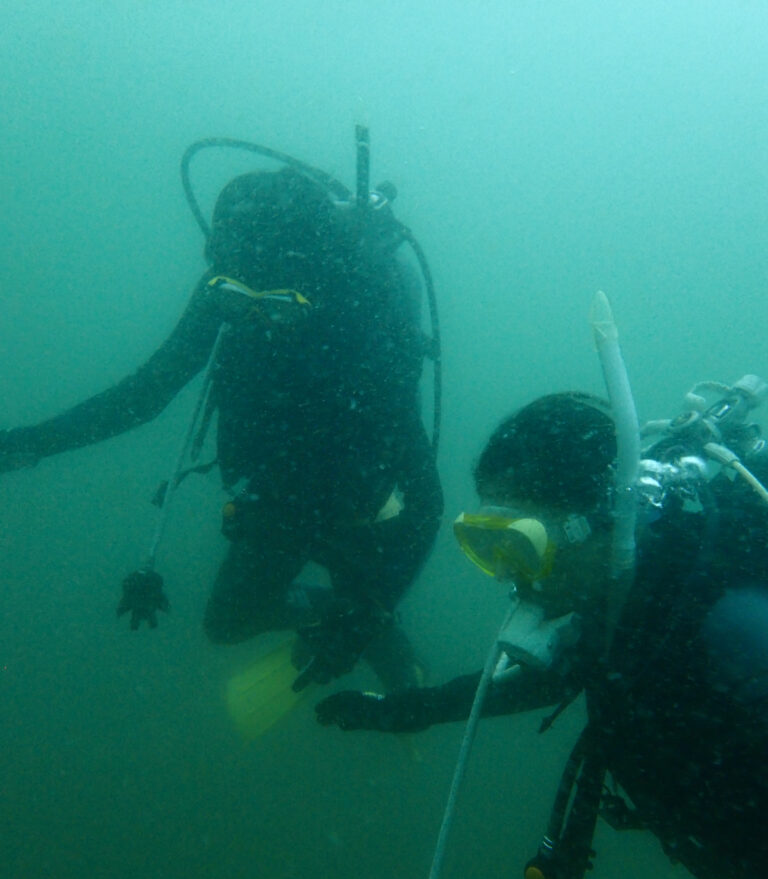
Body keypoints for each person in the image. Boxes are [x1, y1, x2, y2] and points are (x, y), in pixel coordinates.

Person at [317, 378, 768, 879]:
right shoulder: (614, 595)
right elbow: (548, 678)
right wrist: (404, 709)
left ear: (609, 518)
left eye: (522, 542)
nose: (507, 572)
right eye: (487, 542)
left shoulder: (738, 632)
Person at [0, 149, 443, 693]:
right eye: (237, 301)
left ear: (318, 282)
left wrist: (368, 616)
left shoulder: (365, 316)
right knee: (228, 623)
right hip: (269, 489)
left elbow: (427, 499)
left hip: (353, 489)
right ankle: (341, 610)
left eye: (280, 306)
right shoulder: (235, 273)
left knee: (346, 587)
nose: (256, 316)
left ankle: (374, 628)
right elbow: (146, 394)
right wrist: (24, 445)